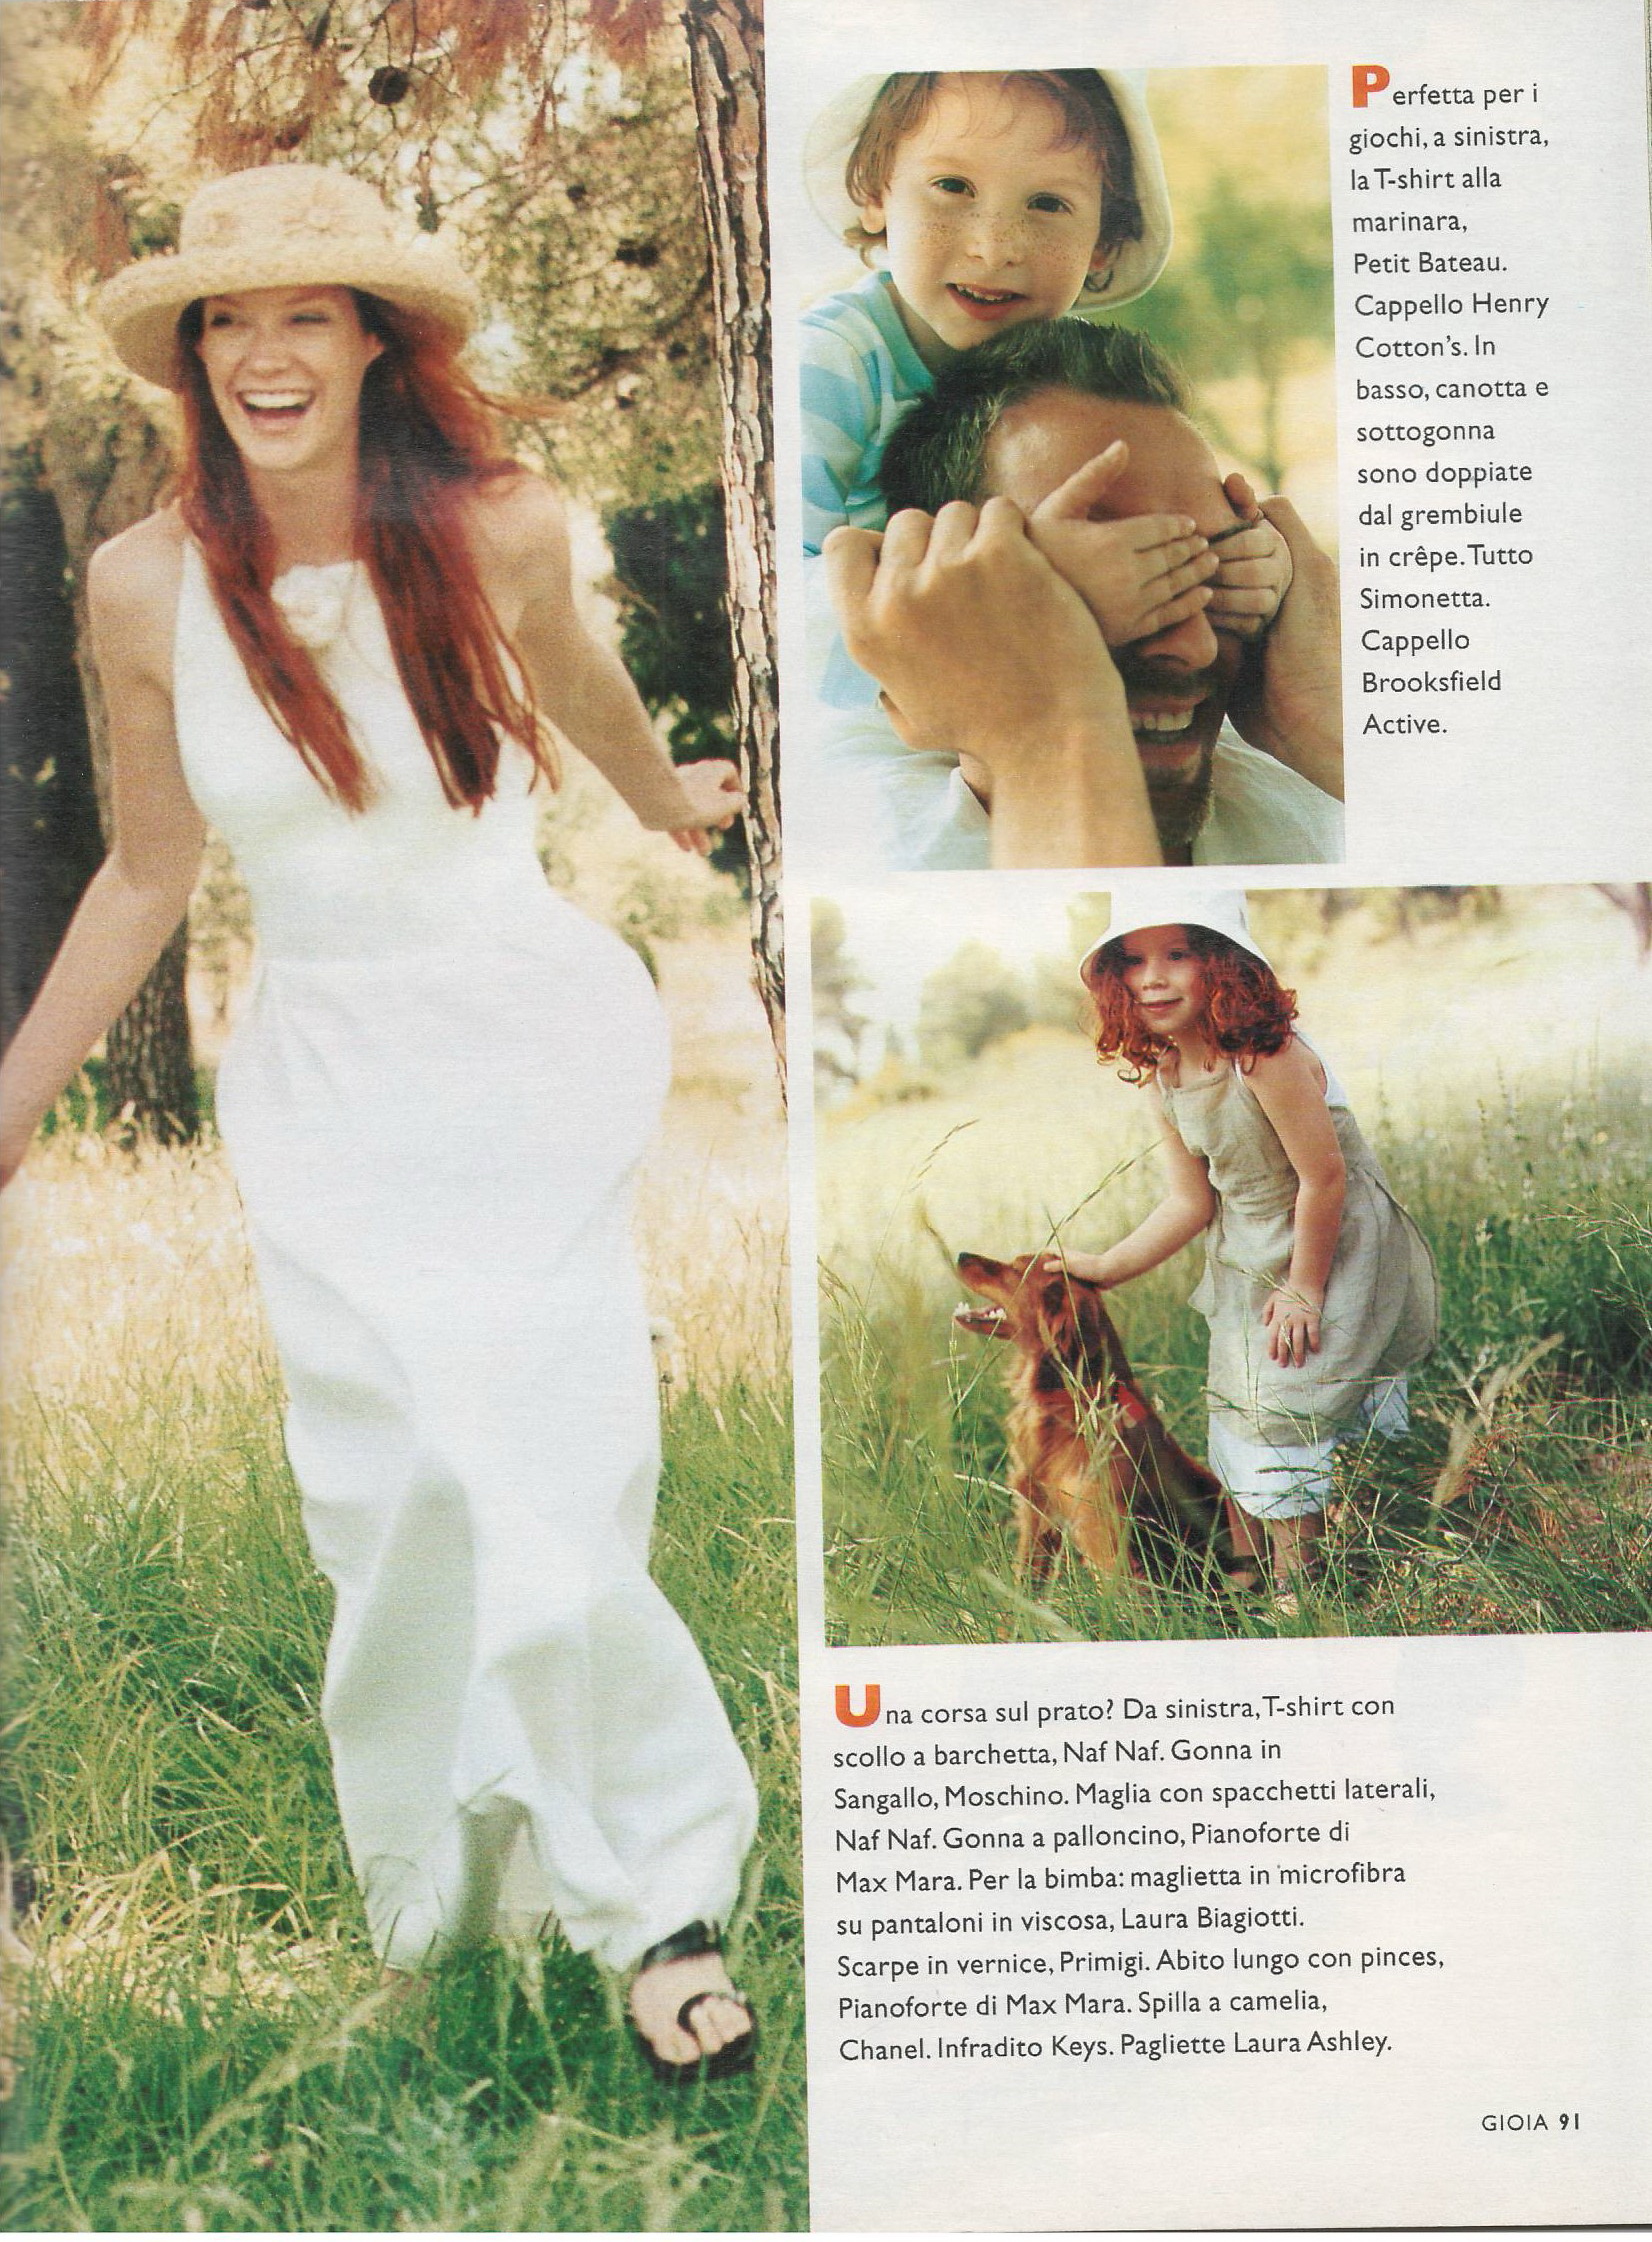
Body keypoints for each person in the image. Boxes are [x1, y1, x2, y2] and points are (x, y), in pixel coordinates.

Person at [0, 164, 760, 2079]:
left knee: (538, 1463)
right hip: (322, 1083)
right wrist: (12, 1099)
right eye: (229, 322)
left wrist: (668, 801)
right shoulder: (144, 583)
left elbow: (586, 697)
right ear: (193, 355)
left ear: (371, 342)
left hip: (521, 1042)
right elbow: (148, 869)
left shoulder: (501, 524)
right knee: (394, 1501)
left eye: (307, 316)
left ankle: (654, 1908)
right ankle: (437, 1917)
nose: (266, 354)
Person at [799, 70, 1290, 711]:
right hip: (884, 710)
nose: (994, 248)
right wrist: (1038, 580)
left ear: (1103, 242)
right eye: (953, 186)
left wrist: (1243, 561)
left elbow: (1158, 513)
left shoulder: (1079, 375)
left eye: (1048, 204)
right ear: (874, 194)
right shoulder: (828, 364)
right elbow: (783, 604)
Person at [813, 322, 1344, 873]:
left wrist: (1321, 716)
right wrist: (1040, 737)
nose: (1194, 647)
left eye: (1220, 569)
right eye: (1075, 584)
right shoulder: (869, 860)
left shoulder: (1325, 787)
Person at [1054, 891, 1436, 1602]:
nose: (1152, 978)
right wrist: (1106, 1266)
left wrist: (1305, 1289)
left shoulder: (1264, 1056)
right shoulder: (1167, 1076)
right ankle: (1250, 1571)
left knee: (1281, 1412)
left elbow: (1323, 1178)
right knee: (1237, 1407)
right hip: (1246, 1249)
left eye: (1177, 954)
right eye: (1133, 961)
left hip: (1328, 1241)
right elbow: (1190, 1202)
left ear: (1223, 964)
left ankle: (1301, 1592)